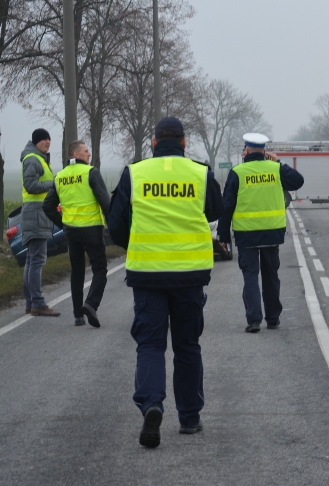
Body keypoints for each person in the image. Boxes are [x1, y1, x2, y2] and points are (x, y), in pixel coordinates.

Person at [107, 117, 223, 448]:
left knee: (151, 344)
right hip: (190, 274)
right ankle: (189, 418)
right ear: (184, 142)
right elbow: (215, 210)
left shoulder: (135, 173)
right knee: (187, 345)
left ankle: (152, 404)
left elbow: (115, 225)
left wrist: (139, 242)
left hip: (147, 274)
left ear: (154, 142)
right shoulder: (200, 173)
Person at [217, 133, 304, 334]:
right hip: (272, 234)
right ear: (265, 151)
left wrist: (223, 237)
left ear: (245, 151)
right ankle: (273, 319)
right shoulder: (275, 169)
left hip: (246, 235)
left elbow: (227, 206)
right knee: (271, 276)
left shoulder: (237, 172)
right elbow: (298, 181)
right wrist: (279, 162)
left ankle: (254, 320)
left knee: (250, 276)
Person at [44, 140, 110, 327]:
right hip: (91, 229)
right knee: (100, 269)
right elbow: (105, 203)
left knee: (77, 271)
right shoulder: (91, 172)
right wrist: (114, 227)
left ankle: (77, 316)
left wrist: (63, 223)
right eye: (86, 151)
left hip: (71, 232)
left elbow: (47, 205)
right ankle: (90, 304)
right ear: (75, 154)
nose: (89, 154)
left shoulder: (60, 176)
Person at [20, 129, 60, 317]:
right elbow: (31, 186)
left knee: (31, 261)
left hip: (36, 214)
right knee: (36, 261)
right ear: (36, 141)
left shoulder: (39, 158)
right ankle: (37, 303)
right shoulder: (33, 159)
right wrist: (53, 184)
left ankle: (31, 303)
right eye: (44, 139)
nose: (48, 142)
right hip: (36, 214)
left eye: (49, 139)